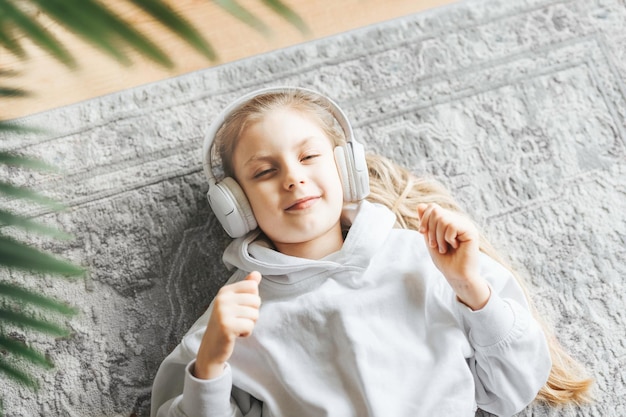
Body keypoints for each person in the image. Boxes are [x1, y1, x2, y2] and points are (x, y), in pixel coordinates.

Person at [151, 87, 592, 417]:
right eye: (265, 171)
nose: (292, 178)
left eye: (308, 157)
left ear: (346, 169)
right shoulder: (232, 320)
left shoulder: (431, 262)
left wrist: (470, 289)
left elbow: (513, 389)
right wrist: (209, 365)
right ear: (237, 206)